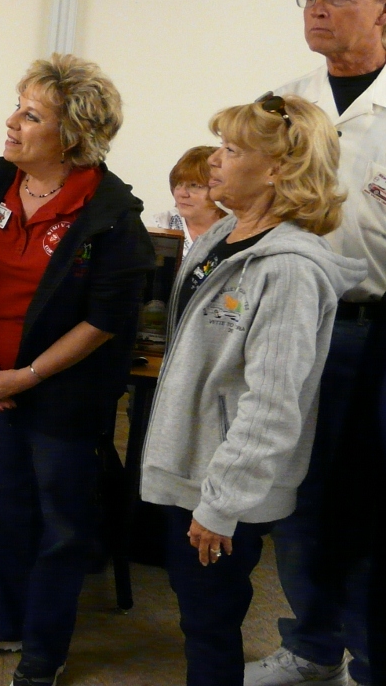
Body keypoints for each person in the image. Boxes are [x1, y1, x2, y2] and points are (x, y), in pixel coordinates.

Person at [142, 95, 364, 686]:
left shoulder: (287, 269)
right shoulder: (221, 234)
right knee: (197, 610)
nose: (214, 161)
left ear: (277, 169)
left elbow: (272, 406)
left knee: (211, 622)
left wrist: (222, 504)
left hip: (222, 485)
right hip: (191, 465)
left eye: (232, 150)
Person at [0, 54, 154, 686]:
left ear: (72, 135)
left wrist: (29, 375)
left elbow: (105, 320)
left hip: (65, 388)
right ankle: (7, 616)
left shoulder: (112, 214)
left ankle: (46, 643)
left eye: (31, 115)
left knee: (61, 521)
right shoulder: (2, 177)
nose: (12, 122)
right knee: (3, 505)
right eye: (17, 106)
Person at [246, 0, 386, 686]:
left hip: (376, 326)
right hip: (298, 321)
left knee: (371, 502)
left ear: (383, 8)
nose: (319, 11)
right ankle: (311, 647)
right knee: (296, 489)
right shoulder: (282, 105)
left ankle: (372, 658)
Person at [150, 145, 228, 258]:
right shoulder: (161, 224)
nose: (182, 193)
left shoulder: (238, 229)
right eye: (179, 184)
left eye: (194, 185)